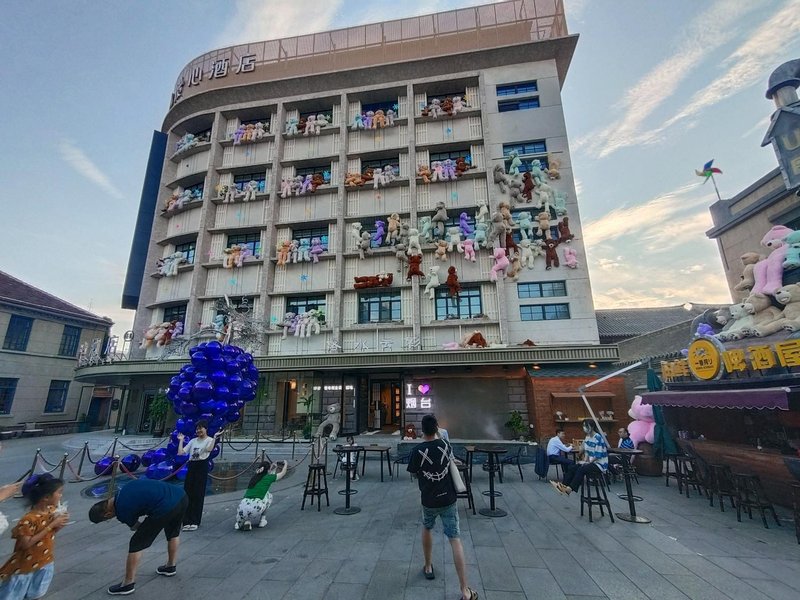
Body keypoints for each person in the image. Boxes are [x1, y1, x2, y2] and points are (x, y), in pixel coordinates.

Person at [407, 414, 477, 600]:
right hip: (449, 499)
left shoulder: (418, 450)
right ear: (437, 428)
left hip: (428, 500)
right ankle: (464, 590)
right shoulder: (446, 446)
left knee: (427, 527)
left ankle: (428, 566)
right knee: (455, 539)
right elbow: (450, 461)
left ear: (423, 430)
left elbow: (413, 473)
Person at [89, 478, 188, 595]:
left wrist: (147, 531)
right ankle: (170, 566)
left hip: (164, 506)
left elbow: (137, 527)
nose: (110, 519)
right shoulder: (124, 488)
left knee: (136, 543)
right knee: (173, 533)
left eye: (107, 520)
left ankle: (127, 584)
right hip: (181, 496)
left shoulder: (121, 510)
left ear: (108, 514)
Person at [0, 474, 69, 600]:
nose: (61, 496)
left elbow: (50, 534)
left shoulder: (51, 510)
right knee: (13, 595)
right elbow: (26, 544)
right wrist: (52, 525)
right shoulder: (28, 520)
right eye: (59, 492)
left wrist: (59, 524)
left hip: (44, 561)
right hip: (25, 565)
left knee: (36, 594)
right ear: (46, 498)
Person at [177, 420, 222, 531]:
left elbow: (209, 449)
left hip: (202, 466)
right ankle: (186, 521)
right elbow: (181, 452)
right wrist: (181, 441)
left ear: (206, 429)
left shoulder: (209, 440)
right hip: (192, 466)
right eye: (197, 428)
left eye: (201, 428)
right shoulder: (192, 441)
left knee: (198, 493)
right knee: (188, 493)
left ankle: (195, 520)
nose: (198, 430)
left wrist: (215, 437)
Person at [551, 419, 608, 496]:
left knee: (581, 469)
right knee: (573, 467)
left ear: (592, 427)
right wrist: (584, 461)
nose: (584, 428)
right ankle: (563, 486)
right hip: (591, 462)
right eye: (583, 426)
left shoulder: (598, 437)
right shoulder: (587, 437)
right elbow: (587, 452)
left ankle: (570, 489)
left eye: (586, 426)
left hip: (599, 464)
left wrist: (587, 463)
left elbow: (598, 455)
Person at [235, 460, 288, 531]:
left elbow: (265, 473)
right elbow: (282, 473)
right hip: (257, 507)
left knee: (241, 519)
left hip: (243, 505)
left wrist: (272, 467)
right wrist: (286, 464)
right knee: (269, 496)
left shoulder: (254, 478)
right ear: (268, 470)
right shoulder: (268, 478)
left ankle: (244, 522)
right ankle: (262, 521)